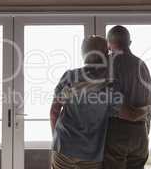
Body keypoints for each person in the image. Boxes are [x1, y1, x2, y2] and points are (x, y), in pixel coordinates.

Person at [50, 36, 123, 169]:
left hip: (64, 146)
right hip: (92, 153)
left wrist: (55, 138)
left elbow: (54, 111)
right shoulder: (110, 84)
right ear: (105, 54)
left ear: (84, 54)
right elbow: (118, 114)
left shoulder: (70, 76)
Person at [104, 25, 151, 169]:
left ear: (108, 44)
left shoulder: (107, 63)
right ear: (129, 43)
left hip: (116, 132)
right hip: (141, 133)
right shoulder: (142, 65)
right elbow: (150, 104)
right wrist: (144, 132)